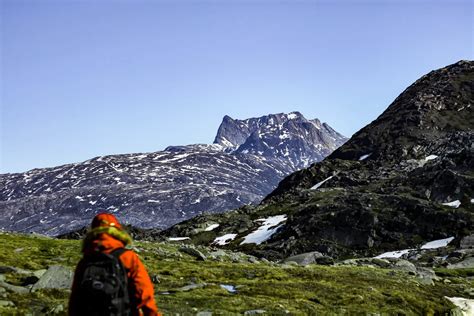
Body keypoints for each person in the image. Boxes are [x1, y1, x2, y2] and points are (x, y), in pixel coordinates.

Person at [69, 213, 160, 316]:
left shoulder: (85, 262)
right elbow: (144, 294)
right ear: (117, 231)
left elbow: (75, 301)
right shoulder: (127, 257)